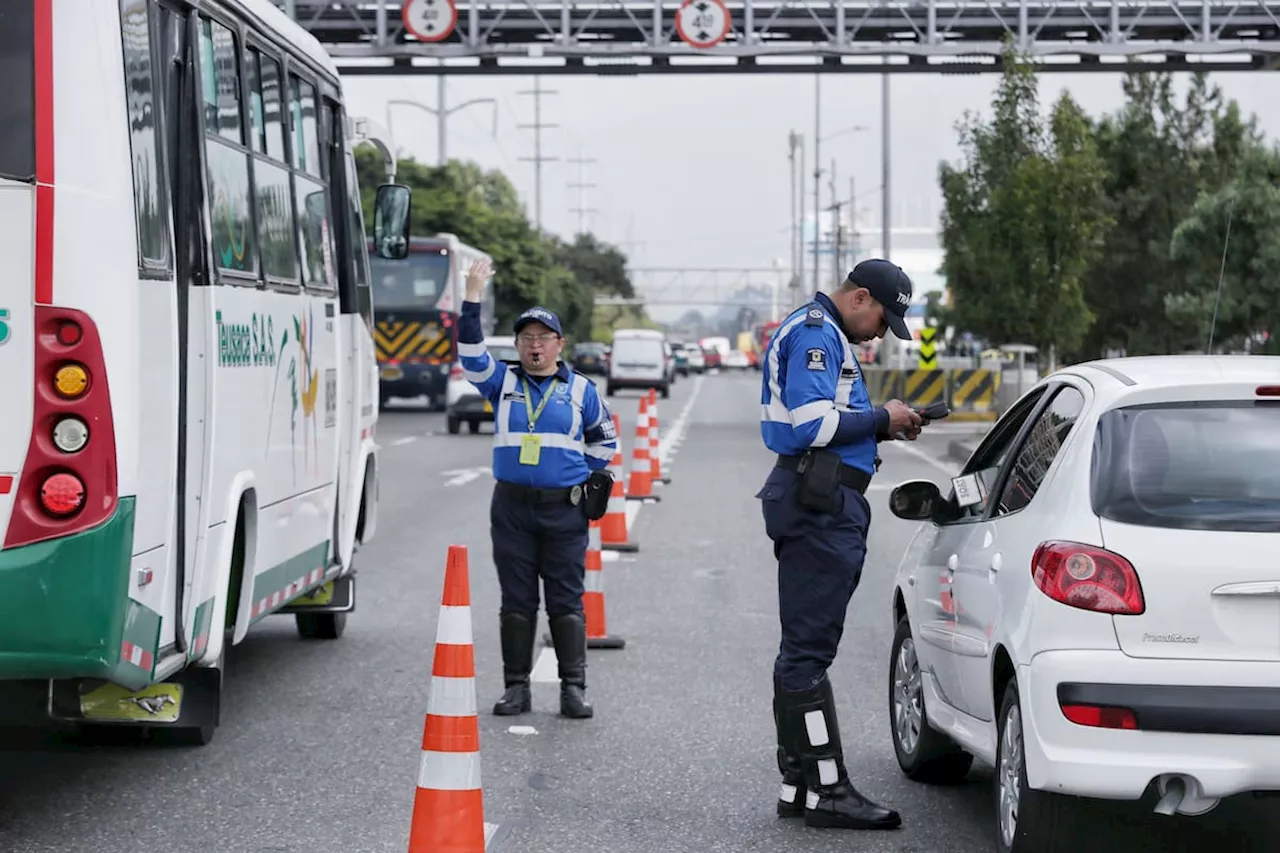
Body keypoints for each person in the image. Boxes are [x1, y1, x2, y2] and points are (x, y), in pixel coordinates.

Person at [757, 259, 923, 831]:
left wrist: (886, 423)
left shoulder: (822, 331)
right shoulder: (816, 337)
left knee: (800, 651)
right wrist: (882, 417)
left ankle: (798, 784)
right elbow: (810, 424)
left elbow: (829, 417)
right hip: (820, 507)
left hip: (820, 501)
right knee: (807, 655)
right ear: (858, 297)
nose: (881, 331)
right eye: (882, 317)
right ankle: (829, 789)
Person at [456, 258, 618, 720]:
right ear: (517, 345)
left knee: (566, 602)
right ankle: (516, 690)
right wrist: (472, 297)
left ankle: (573, 689)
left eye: (542, 338)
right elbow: (469, 352)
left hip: (563, 512)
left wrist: (577, 477)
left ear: (558, 345)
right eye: (526, 338)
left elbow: (604, 441)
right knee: (517, 602)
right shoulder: (501, 382)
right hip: (511, 509)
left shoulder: (581, 391)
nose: (534, 346)